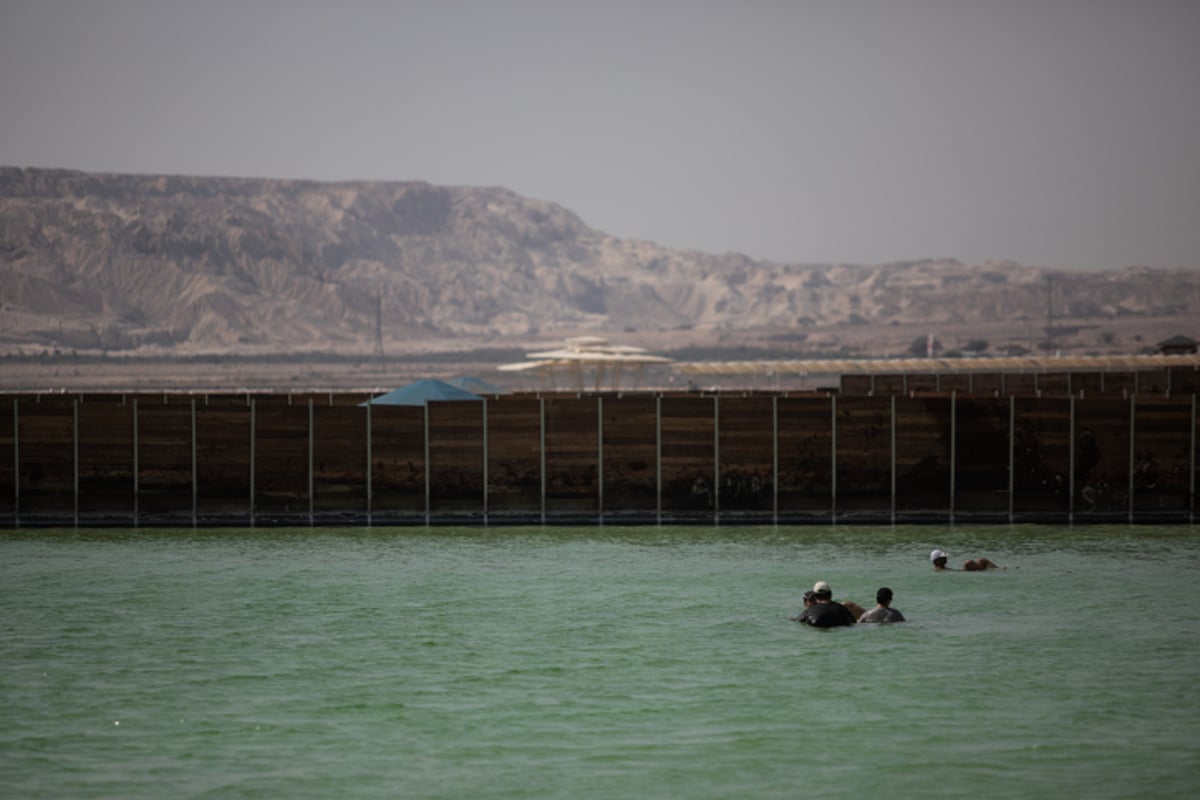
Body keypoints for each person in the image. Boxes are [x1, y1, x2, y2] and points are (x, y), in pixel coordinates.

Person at [930, 548, 1003, 571]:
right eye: (943, 557)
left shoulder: (942, 568)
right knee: (968, 562)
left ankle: (999, 570)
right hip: (962, 573)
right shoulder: (939, 570)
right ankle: (1000, 571)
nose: (945, 558)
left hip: (961, 572)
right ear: (937, 561)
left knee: (982, 560)